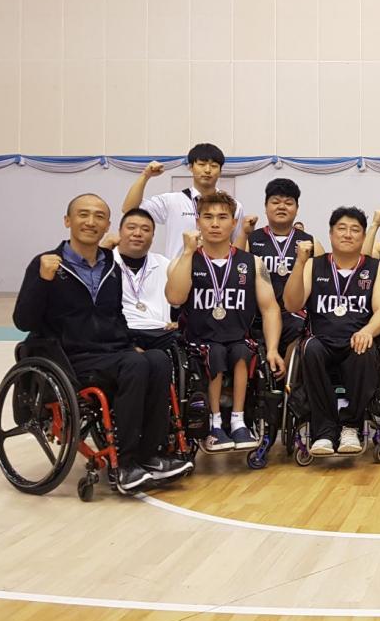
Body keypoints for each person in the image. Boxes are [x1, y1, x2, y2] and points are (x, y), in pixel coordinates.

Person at [13, 194, 192, 493]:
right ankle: (125, 462)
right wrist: (42, 281)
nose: (91, 221)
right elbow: (24, 322)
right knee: (134, 364)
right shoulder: (46, 264)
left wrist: (127, 343)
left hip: (110, 352)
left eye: (99, 216)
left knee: (159, 359)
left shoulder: (110, 263)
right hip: (68, 357)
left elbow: (114, 314)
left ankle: (151, 454)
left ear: (107, 225)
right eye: (83, 214)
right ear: (68, 221)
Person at [165, 192, 285, 453]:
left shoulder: (252, 262)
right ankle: (214, 423)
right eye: (208, 217)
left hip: (237, 336)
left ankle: (239, 420)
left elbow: (271, 309)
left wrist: (274, 349)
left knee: (243, 351)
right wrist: (187, 252)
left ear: (233, 222)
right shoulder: (184, 260)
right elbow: (174, 297)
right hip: (199, 339)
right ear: (198, 222)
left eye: (222, 217)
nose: (215, 224)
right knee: (215, 352)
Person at [281, 207, 380, 456]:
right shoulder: (313, 265)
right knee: (310, 348)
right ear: (331, 234)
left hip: (357, 338)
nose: (348, 234)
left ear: (363, 237)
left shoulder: (378, 269)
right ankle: (323, 431)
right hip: (321, 339)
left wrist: (368, 331)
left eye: (355, 230)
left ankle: (351, 426)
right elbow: (291, 304)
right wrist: (299, 264)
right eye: (341, 228)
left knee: (364, 348)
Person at [123, 143, 246, 262]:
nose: (207, 170)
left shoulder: (234, 206)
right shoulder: (171, 201)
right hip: (177, 273)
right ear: (191, 167)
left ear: (220, 171)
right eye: (202, 164)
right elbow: (128, 209)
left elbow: (238, 245)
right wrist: (145, 175)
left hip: (217, 276)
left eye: (214, 166)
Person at [242, 178, 323, 354]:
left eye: (288, 203)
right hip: (257, 314)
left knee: (301, 332)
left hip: (295, 314)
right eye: (275, 202)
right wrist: (243, 234)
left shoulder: (310, 242)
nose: (281, 207)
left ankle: (288, 377)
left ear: (297, 208)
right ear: (266, 207)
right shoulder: (252, 239)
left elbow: (325, 281)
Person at [99, 208, 179, 351]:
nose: (137, 234)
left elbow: (183, 298)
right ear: (119, 232)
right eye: (131, 228)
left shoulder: (164, 264)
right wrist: (101, 250)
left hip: (159, 331)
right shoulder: (103, 262)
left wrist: (180, 322)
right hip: (121, 331)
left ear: (153, 235)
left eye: (145, 229)